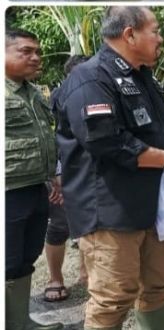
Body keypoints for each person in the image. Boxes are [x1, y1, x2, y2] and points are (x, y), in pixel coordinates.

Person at [53, 6, 164, 330]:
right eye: (155, 30)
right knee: (114, 294)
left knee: (161, 283)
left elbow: (161, 131)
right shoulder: (89, 80)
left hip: (153, 206)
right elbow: (108, 142)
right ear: (129, 34)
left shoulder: (143, 76)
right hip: (109, 210)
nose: (160, 38)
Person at [5, 28, 64, 330]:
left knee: (25, 255)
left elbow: (43, 138)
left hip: (35, 186)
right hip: (8, 190)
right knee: (8, 257)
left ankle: (17, 324)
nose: (35, 57)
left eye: (37, 51)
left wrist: (52, 175)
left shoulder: (34, 93)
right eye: (25, 51)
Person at [43, 54, 91, 304]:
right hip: (63, 172)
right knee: (59, 226)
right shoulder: (57, 98)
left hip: (90, 173)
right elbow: (53, 139)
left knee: (89, 224)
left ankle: (87, 273)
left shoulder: (101, 90)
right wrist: (56, 175)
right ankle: (55, 278)